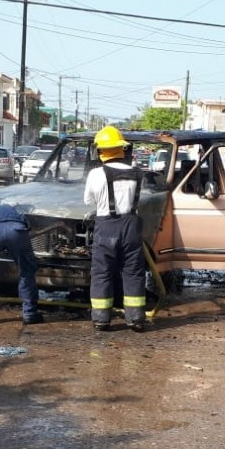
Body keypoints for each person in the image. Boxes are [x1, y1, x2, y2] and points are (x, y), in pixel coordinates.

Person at [84, 125, 146, 332]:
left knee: (102, 273)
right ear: (122, 148)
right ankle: (136, 318)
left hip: (106, 227)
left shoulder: (95, 174)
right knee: (133, 272)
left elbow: (88, 201)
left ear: (100, 151)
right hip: (131, 227)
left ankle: (101, 319)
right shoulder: (137, 173)